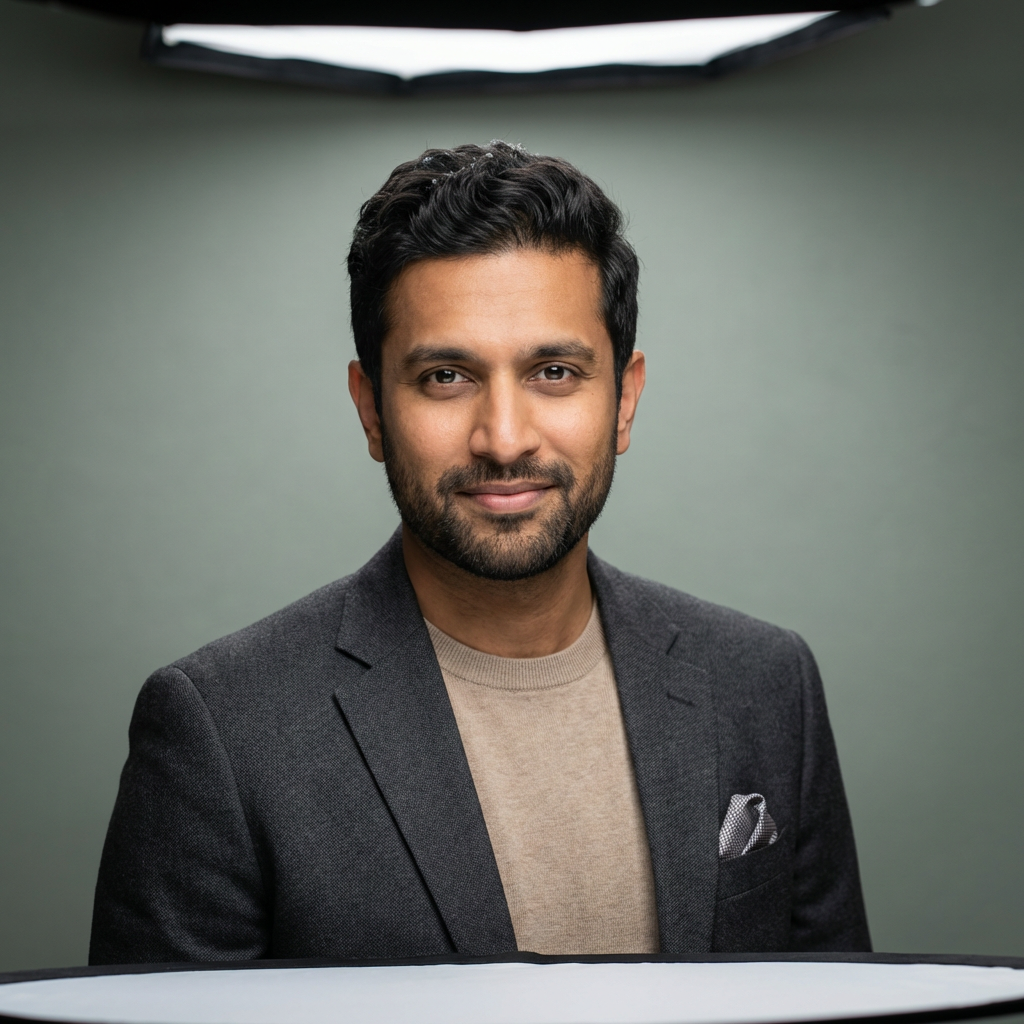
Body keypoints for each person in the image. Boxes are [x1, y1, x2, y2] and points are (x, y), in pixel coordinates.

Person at [89, 141, 870, 964]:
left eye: (555, 371)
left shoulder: (766, 685)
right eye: (446, 377)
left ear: (625, 399)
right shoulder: (221, 729)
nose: (504, 439)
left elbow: (841, 1010)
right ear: (371, 409)